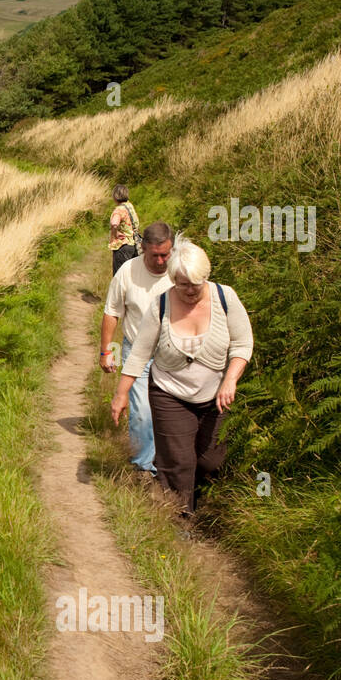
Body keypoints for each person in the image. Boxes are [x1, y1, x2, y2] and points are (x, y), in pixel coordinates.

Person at [110, 238, 253, 515]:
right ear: (173, 279)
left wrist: (230, 379)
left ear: (205, 277)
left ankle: (199, 501)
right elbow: (139, 353)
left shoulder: (226, 298)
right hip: (169, 393)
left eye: (194, 284)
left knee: (210, 460)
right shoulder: (160, 305)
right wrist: (121, 393)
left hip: (215, 397)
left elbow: (242, 344)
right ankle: (179, 518)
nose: (188, 290)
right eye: (181, 283)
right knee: (179, 462)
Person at [100, 222, 174, 477]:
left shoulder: (180, 271)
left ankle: (170, 466)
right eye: (156, 255)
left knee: (169, 414)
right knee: (142, 412)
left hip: (173, 353)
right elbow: (112, 312)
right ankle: (144, 468)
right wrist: (106, 351)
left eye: (166, 254)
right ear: (143, 249)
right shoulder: (128, 272)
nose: (162, 261)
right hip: (137, 352)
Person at [108, 185, 141, 276]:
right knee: (130, 276)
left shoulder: (119, 210)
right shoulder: (129, 206)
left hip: (122, 246)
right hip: (133, 245)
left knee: (119, 276)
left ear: (115, 196)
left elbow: (114, 223)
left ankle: (118, 291)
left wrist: (116, 233)